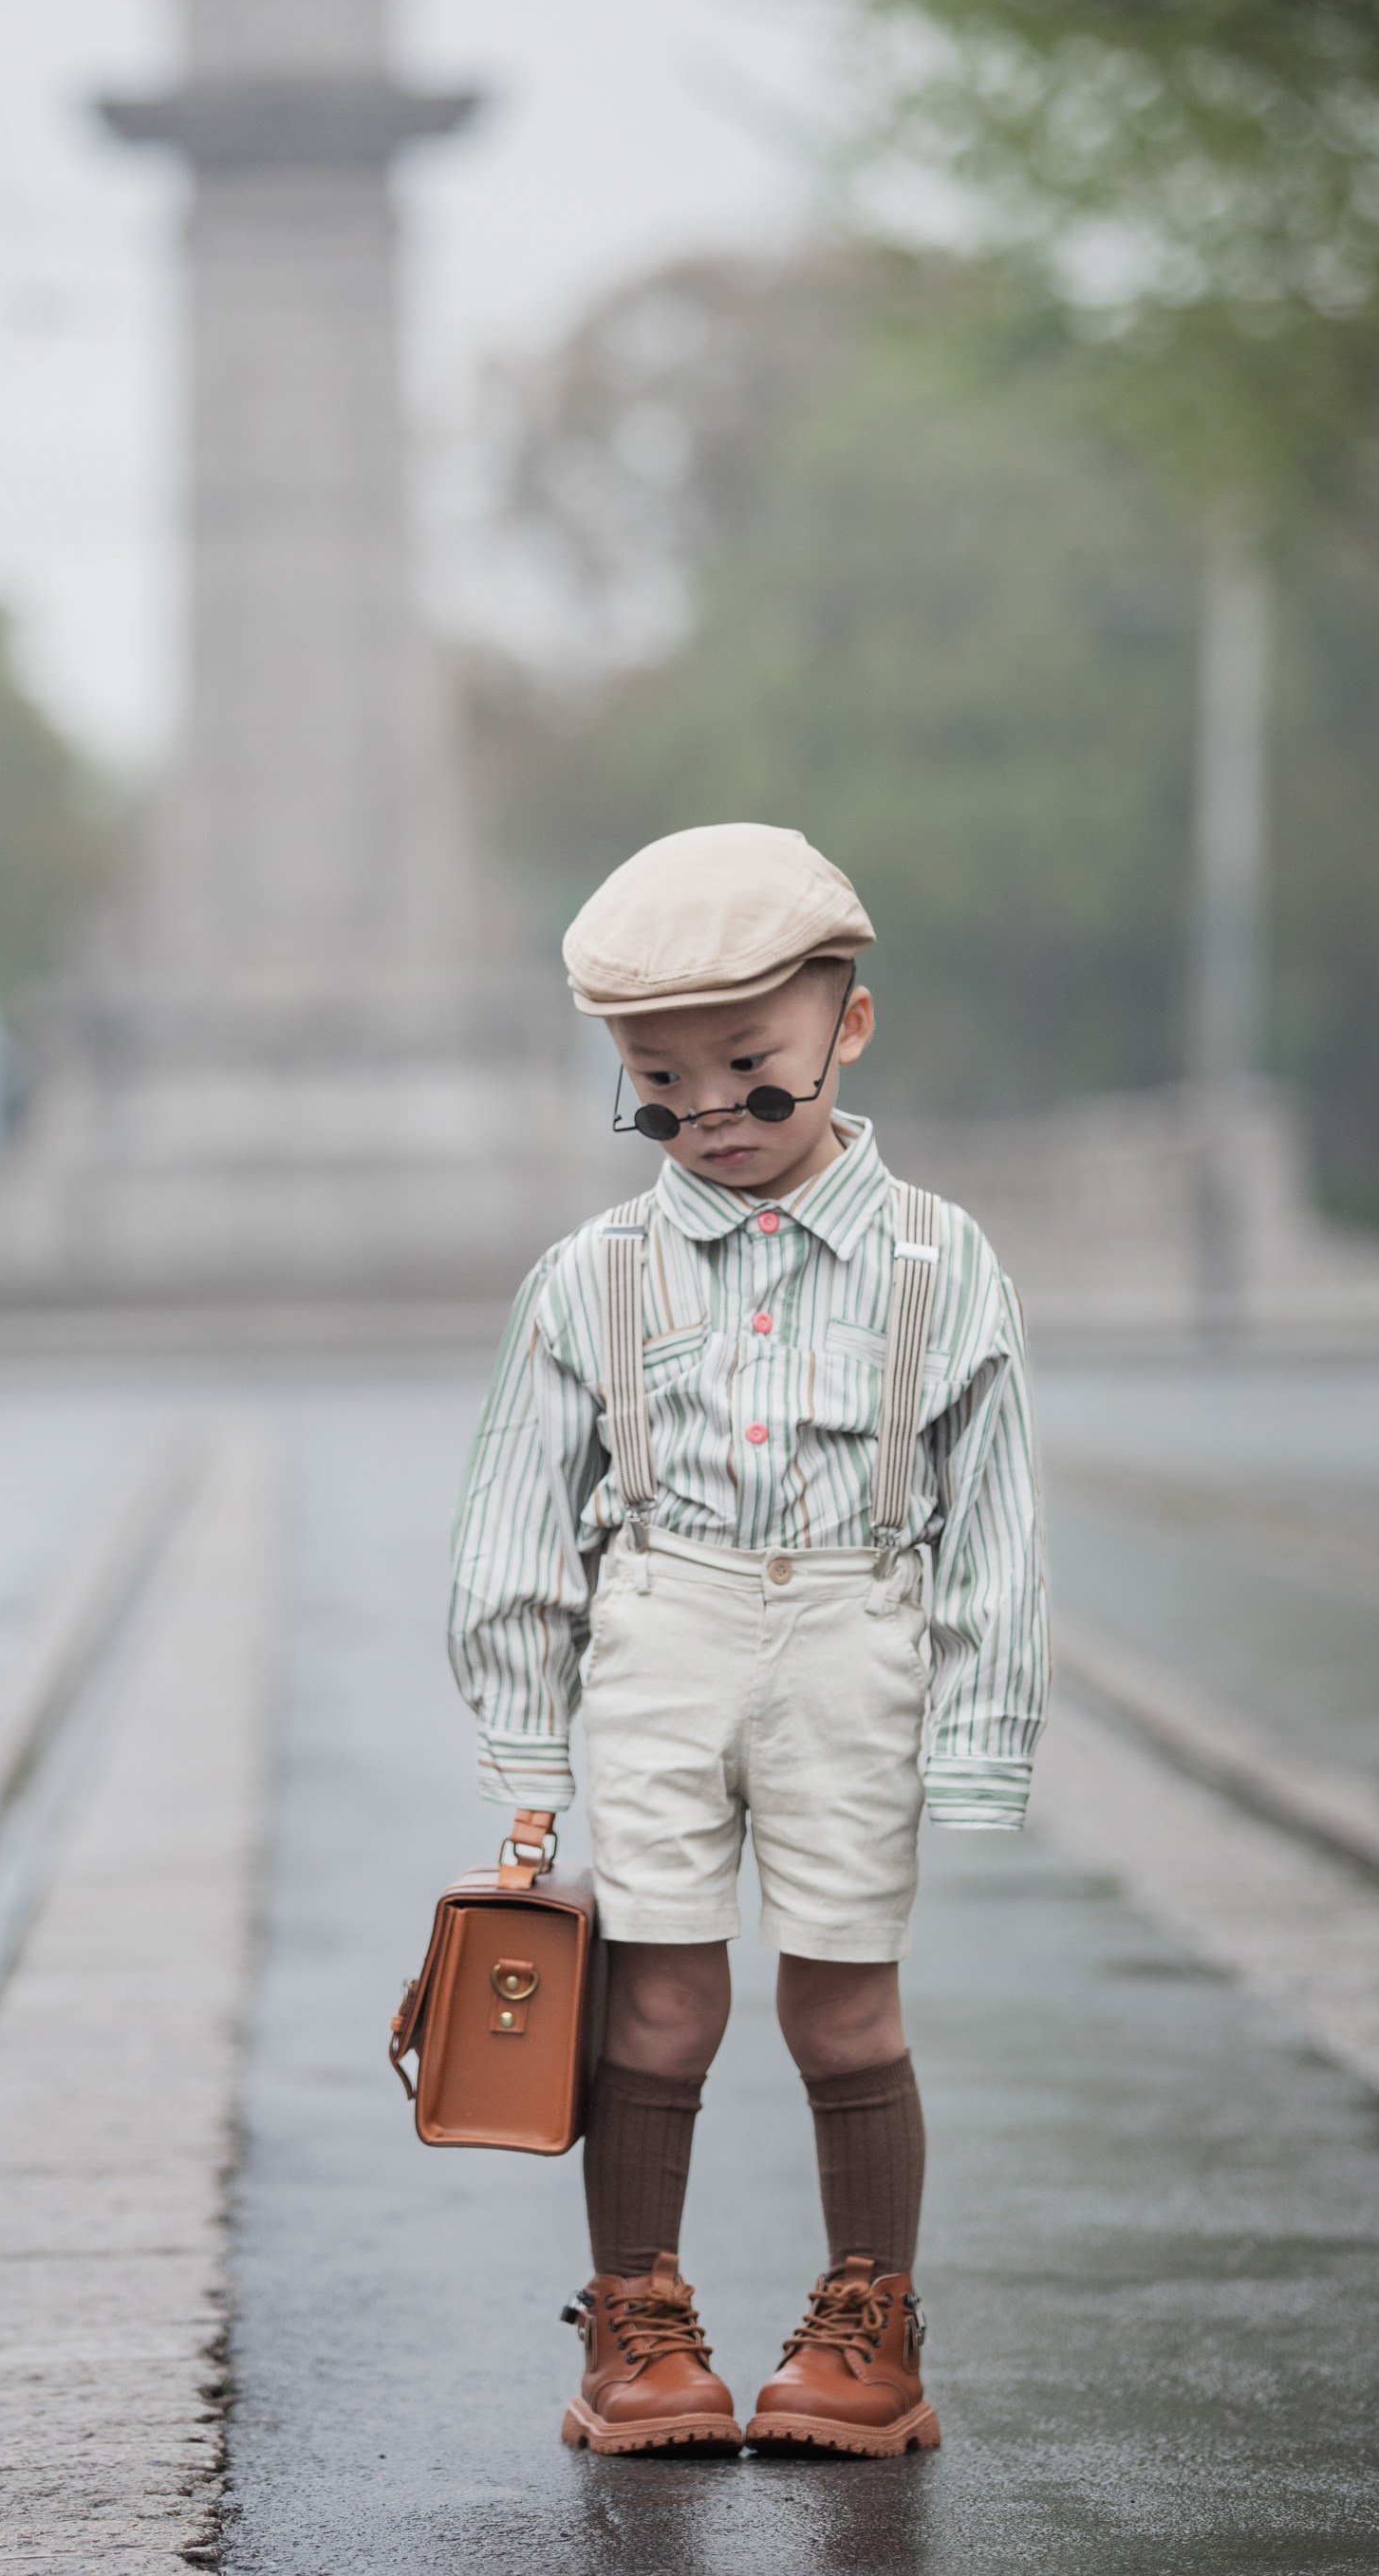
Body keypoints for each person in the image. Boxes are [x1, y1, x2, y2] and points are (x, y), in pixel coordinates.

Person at [448, 822, 1047, 2457]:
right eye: (660, 1088)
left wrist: (980, 1738)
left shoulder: (940, 1260)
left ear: (847, 1031)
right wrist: (524, 1747)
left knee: (844, 2000)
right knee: (659, 2000)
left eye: (754, 1077)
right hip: (664, 1624)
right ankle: (637, 2331)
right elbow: (518, 1514)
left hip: (857, 1627)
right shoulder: (595, 1274)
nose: (710, 1115)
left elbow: (990, 1512)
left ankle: (873, 2332)